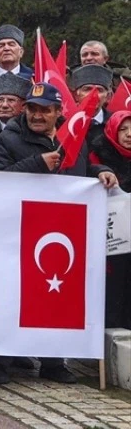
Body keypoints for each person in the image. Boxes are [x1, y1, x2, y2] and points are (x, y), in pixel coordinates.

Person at [0, 82, 117, 384]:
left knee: (56, 299)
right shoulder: (8, 139)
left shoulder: (75, 138)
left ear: (59, 112)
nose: (37, 115)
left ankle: (53, 362)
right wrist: (36, 164)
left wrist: (100, 172)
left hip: (61, 232)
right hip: (17, 231)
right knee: (11, 297)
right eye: (32, 108)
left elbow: (79, 171)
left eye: (45, 110)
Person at [91, 111, 131, 329]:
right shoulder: (98, 156)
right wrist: (100, 171)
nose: (129, 135)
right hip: (108, 242)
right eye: (123, 129)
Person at [71, 64, 114, 129]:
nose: (93, 95)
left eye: (99, 90)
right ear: (76, 95)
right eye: (87, 89)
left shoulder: (115, 123)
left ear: (108, 96)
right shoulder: (64, 122)